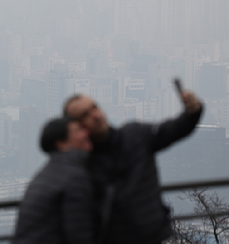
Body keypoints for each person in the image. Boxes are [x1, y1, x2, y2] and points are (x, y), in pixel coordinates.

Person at [63, 91, 203, 244]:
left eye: (95, 107)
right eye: (85, 114)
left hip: (151, 237)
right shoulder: (80, 166)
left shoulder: (135, 135)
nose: (95, 115)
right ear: (75, 126)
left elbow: (174, 129)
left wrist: (193, 112)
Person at [13, 117, 95, 244]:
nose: (86, 133)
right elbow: (79, 235)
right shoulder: (74, 176)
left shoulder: (48, 172)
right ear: (61, 144)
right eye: (78, 131)